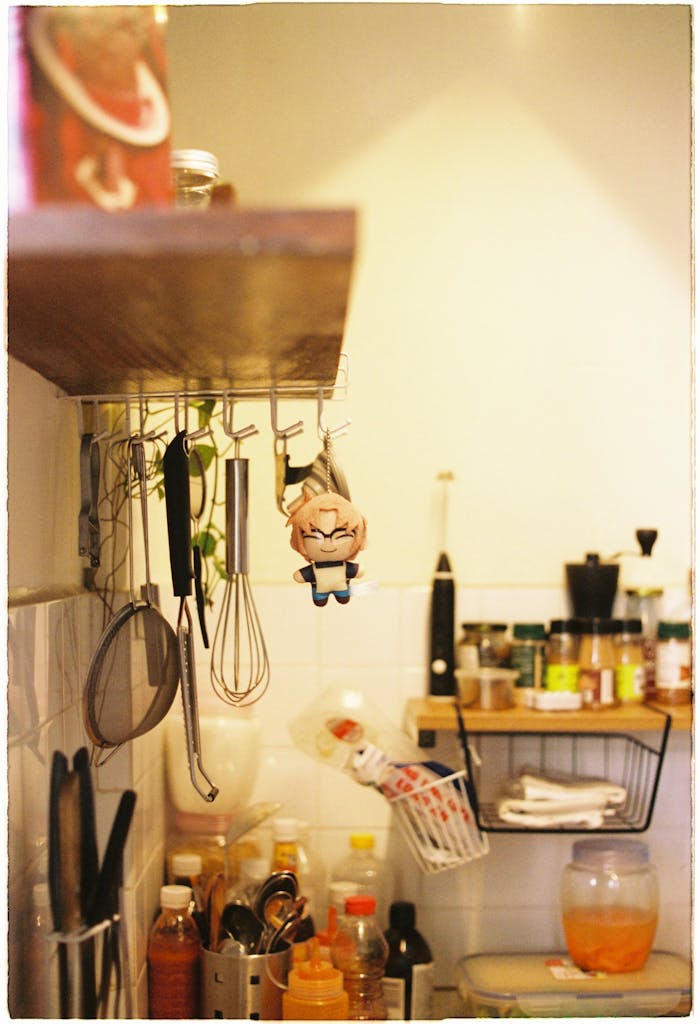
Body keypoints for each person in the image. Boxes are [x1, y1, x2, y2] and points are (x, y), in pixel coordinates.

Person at [287, 492, 367, 606]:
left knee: (343, 598)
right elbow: (299, 576)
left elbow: (358, 571)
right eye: (316, 537)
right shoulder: (315, 569)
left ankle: (341, 594)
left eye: (339, 537)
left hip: (342, 589)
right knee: (320, 600)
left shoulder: (344, 567)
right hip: (320, 592)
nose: (328, 544)